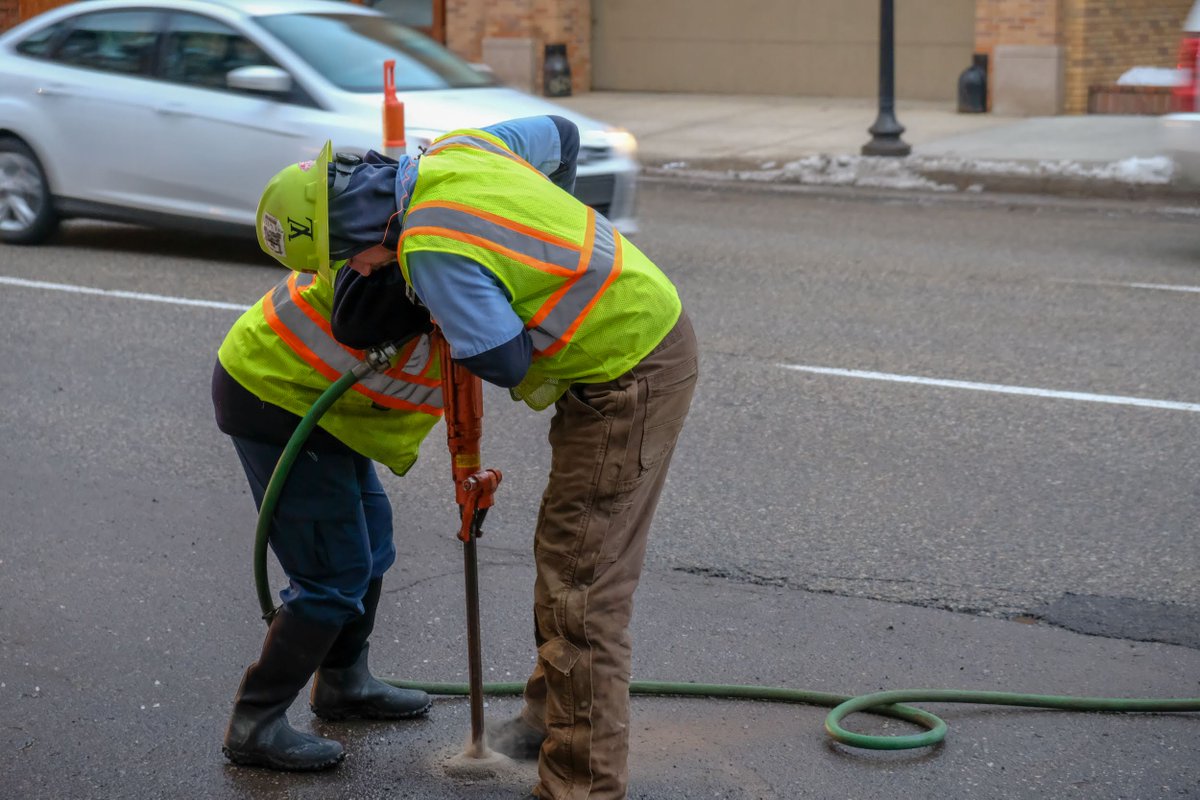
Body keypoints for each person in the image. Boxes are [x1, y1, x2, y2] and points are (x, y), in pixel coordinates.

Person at [255, 115, 698, 800]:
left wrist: (453, 300)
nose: (357, 274)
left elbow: (504, 356)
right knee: (568, 557)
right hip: (638, 327)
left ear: (365, 235)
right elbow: (562, 135)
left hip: (628, 374)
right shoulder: (457, 150)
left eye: (351, 263)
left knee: (582, 593)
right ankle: (549, 723)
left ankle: (581, 787)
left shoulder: (429, 250)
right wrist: (541, 251)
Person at [212, 184, 445, 771]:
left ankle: (343, 682)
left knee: (372, 539)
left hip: (321, 402)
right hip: (273, 395)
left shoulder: (415, 237)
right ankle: (255, 724)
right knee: (333, 570)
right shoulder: (392, 270)